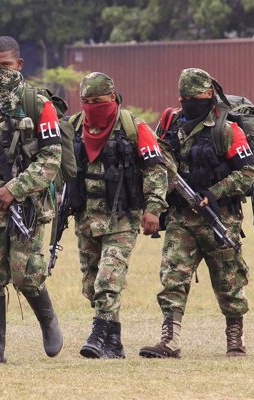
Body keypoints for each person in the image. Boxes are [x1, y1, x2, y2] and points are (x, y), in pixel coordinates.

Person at [0, 36, 66, 365]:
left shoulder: (38, 105)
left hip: (30, 206)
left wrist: (16, 189)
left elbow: (51, 159)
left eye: (5, 66)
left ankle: (48, 321)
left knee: (26, 276)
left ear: (19, 65)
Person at [139, 68, 254, 358]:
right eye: (184, 97)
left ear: (209, 96)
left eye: (196, 97)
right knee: (172, 277)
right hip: (182, 218)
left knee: (229, 280)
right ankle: (170, 339)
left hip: (220, 219)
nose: (189, 102)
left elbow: (248, 172)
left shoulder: (226, 129)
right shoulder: (170, 124)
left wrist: (213, 193)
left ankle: (235, 338)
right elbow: (157, 159)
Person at [66, 72, 168, 359]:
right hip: (87, 219)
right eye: (86, 101)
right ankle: (114, 343)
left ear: (112, 97)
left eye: (98, 101)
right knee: (91, 285)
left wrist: (153, 209)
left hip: (122, 218)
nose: (91, 107)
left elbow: (155, 170)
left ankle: (98, 336)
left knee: (108, 279)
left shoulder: (133, 127)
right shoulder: (73, 127)